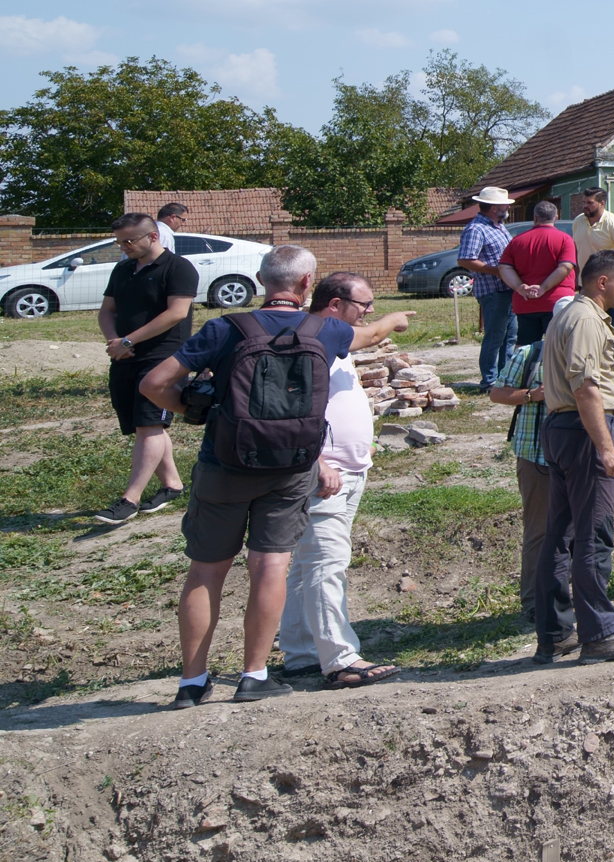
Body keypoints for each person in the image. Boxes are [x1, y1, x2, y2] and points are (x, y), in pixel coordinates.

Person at [136, 246, 409, 708]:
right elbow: (372, 333)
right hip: (291, 468)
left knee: (205, 571)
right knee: (271, 568)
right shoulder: (327, 331)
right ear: (307, 284)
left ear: (262, 281)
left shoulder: (226, 327)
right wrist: (392, 319)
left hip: (225, 463)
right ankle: (254, 675)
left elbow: (153, 383)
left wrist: (198, 412)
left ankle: (191, 683)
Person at [278, 272, 401, 690]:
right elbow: (291, 408)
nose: (370, 312)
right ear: (335, 305)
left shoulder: (332, 341)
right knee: (327, 563)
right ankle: (340, 659)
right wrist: (317, 462)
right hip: (324, 475)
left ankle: (301, 653)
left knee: (308, 564)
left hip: (348, 470)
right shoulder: (313, 339)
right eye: (363, 305)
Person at [535, 250, 614, 663]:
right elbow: (585, 387)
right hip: (585, 432)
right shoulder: (586, 320)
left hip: (564, 428)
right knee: (593, 534)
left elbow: (600, 377)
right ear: (603, 282)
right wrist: (605, 447)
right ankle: (600, 634)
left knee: (561, 534)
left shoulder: (577, 316)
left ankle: (555, 634)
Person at [488, 335, 607, 655]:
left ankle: (573, 602)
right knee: (540, 532)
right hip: (536, 458)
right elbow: (497, 393)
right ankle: (534, 603)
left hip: (579, 457)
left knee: (581, 534)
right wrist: (532, 395)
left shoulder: (592, 352)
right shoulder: (530, 353)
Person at [95, 213, 197, 527]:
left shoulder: (178, 268)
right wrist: (115, 342)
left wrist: (129, 340)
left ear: (152, 236)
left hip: (163, 358)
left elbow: (176, 313)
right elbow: (107, 310)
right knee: (144, 425)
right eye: (119, 242)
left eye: (129, 241)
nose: (123, 247)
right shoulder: (123, 268)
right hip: (125, 357)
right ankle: (173, 484)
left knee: (149, 424)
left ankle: (130, 499)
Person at [457, 186, 517, 387]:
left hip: (507, 289)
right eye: (504, 205)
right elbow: (465, 259)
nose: (508, 208)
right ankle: (489, 381)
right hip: (492, 291)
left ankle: (505, 379)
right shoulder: (476, 229)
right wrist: (497, 271)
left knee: (509, 337)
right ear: (494, 208)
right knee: (495, 337)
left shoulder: (498, 226)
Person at [499, 201, 577, 350]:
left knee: (524, 346)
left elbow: (504, 267)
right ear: (556, 218)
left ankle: (522, 366)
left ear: (535, 218)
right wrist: (543, 287)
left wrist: (519, 287)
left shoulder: (517, 241)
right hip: (557, 301)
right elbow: (566, 266)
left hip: (525, 302)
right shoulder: (565, 239)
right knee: (559, 346)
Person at [571, 188, 614, 332]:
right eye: (584, 202)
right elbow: (577, 250)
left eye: (590, 203)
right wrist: (576, 276)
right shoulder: (578, 221)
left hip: (608, 285)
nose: (585, 206)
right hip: (586, 283)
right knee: (586, 323)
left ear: (602, 203)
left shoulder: (612, 222)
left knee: (613, 327)